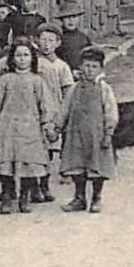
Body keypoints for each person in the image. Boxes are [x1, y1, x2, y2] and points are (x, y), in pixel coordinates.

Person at [0, 41, 57, 214]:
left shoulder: (37, 81)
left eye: (26, 55)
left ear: (32, 58)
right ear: (12, 58)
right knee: (5, 165)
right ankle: (7, 197)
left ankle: (24, 198)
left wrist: (47, 125)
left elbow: (46, 105)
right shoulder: (4, 80)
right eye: (18, 55)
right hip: (6, 127)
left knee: (28, 165)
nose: (22, 59)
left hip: (30, 127)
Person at [58, 46, 118, 214]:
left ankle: (96, 198)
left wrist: (109, 133)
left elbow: (111, 112)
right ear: (81, 67)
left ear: (100, 69)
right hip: (75, 134)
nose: (90, 70)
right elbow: (64, 109)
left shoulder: (104, 89)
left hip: (96, 135)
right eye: (87, 66)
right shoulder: (74, 88)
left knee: (96, 167)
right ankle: (79, 198)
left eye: (94, 66)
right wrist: (57, 127)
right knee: (77, 166)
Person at [33, 24, 75, 203]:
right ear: (36, 41)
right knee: (39, 152)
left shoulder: (61, 66)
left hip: (55, 112)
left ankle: (49, 183)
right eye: (43, 40)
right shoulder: (34, 63)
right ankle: (38, 186)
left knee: (52, 147)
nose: (46, 44)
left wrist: (65, 112)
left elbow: (67, 91)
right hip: (36, 111)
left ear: (58, 43)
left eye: (51, 40)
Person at [54, 0, 91, 70]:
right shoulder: (57, 38)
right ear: (61, 19)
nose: (71, 20)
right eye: (67, 17)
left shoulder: (83, 38)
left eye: (74, 17)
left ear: (78, 19)